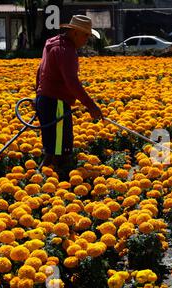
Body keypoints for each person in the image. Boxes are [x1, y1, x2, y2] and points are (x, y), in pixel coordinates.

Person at [35, 15, 103, 181]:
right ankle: (50, 186)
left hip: (47, 101)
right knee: (58, 152)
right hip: (55, 103)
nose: (87, 39)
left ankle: (45, 182)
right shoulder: (66, 51)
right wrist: (91, 105)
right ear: (74, 32)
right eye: (85, 35)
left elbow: (39, 70)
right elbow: (72, 82)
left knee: (55, 148)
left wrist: (38, 94)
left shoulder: (52, 43)